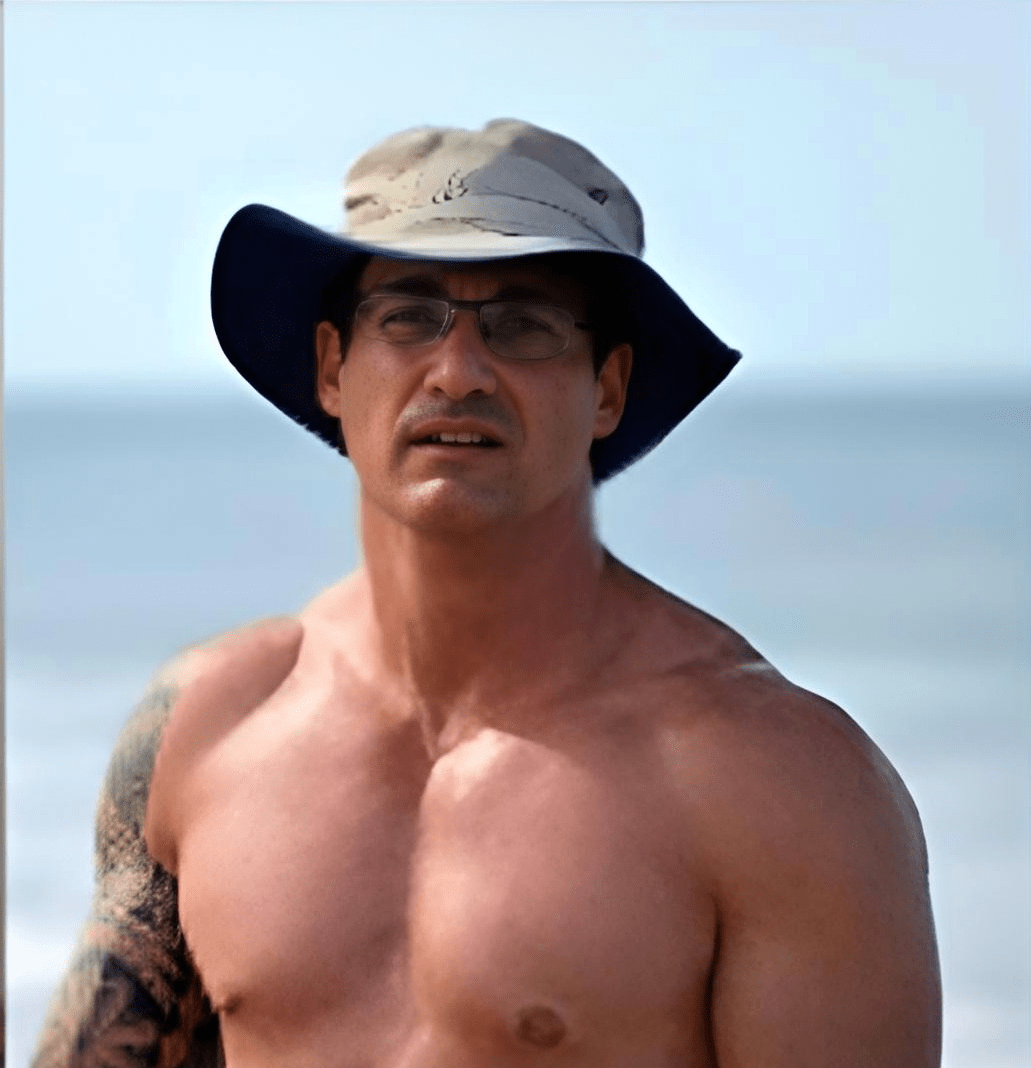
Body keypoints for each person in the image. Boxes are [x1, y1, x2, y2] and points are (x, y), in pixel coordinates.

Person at [32, 119, 941, 1068]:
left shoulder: (778, 785)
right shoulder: (204, 728)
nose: (458, 372)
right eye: (407, 317)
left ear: (607, 390)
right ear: (333, 367)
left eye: (522, 326)